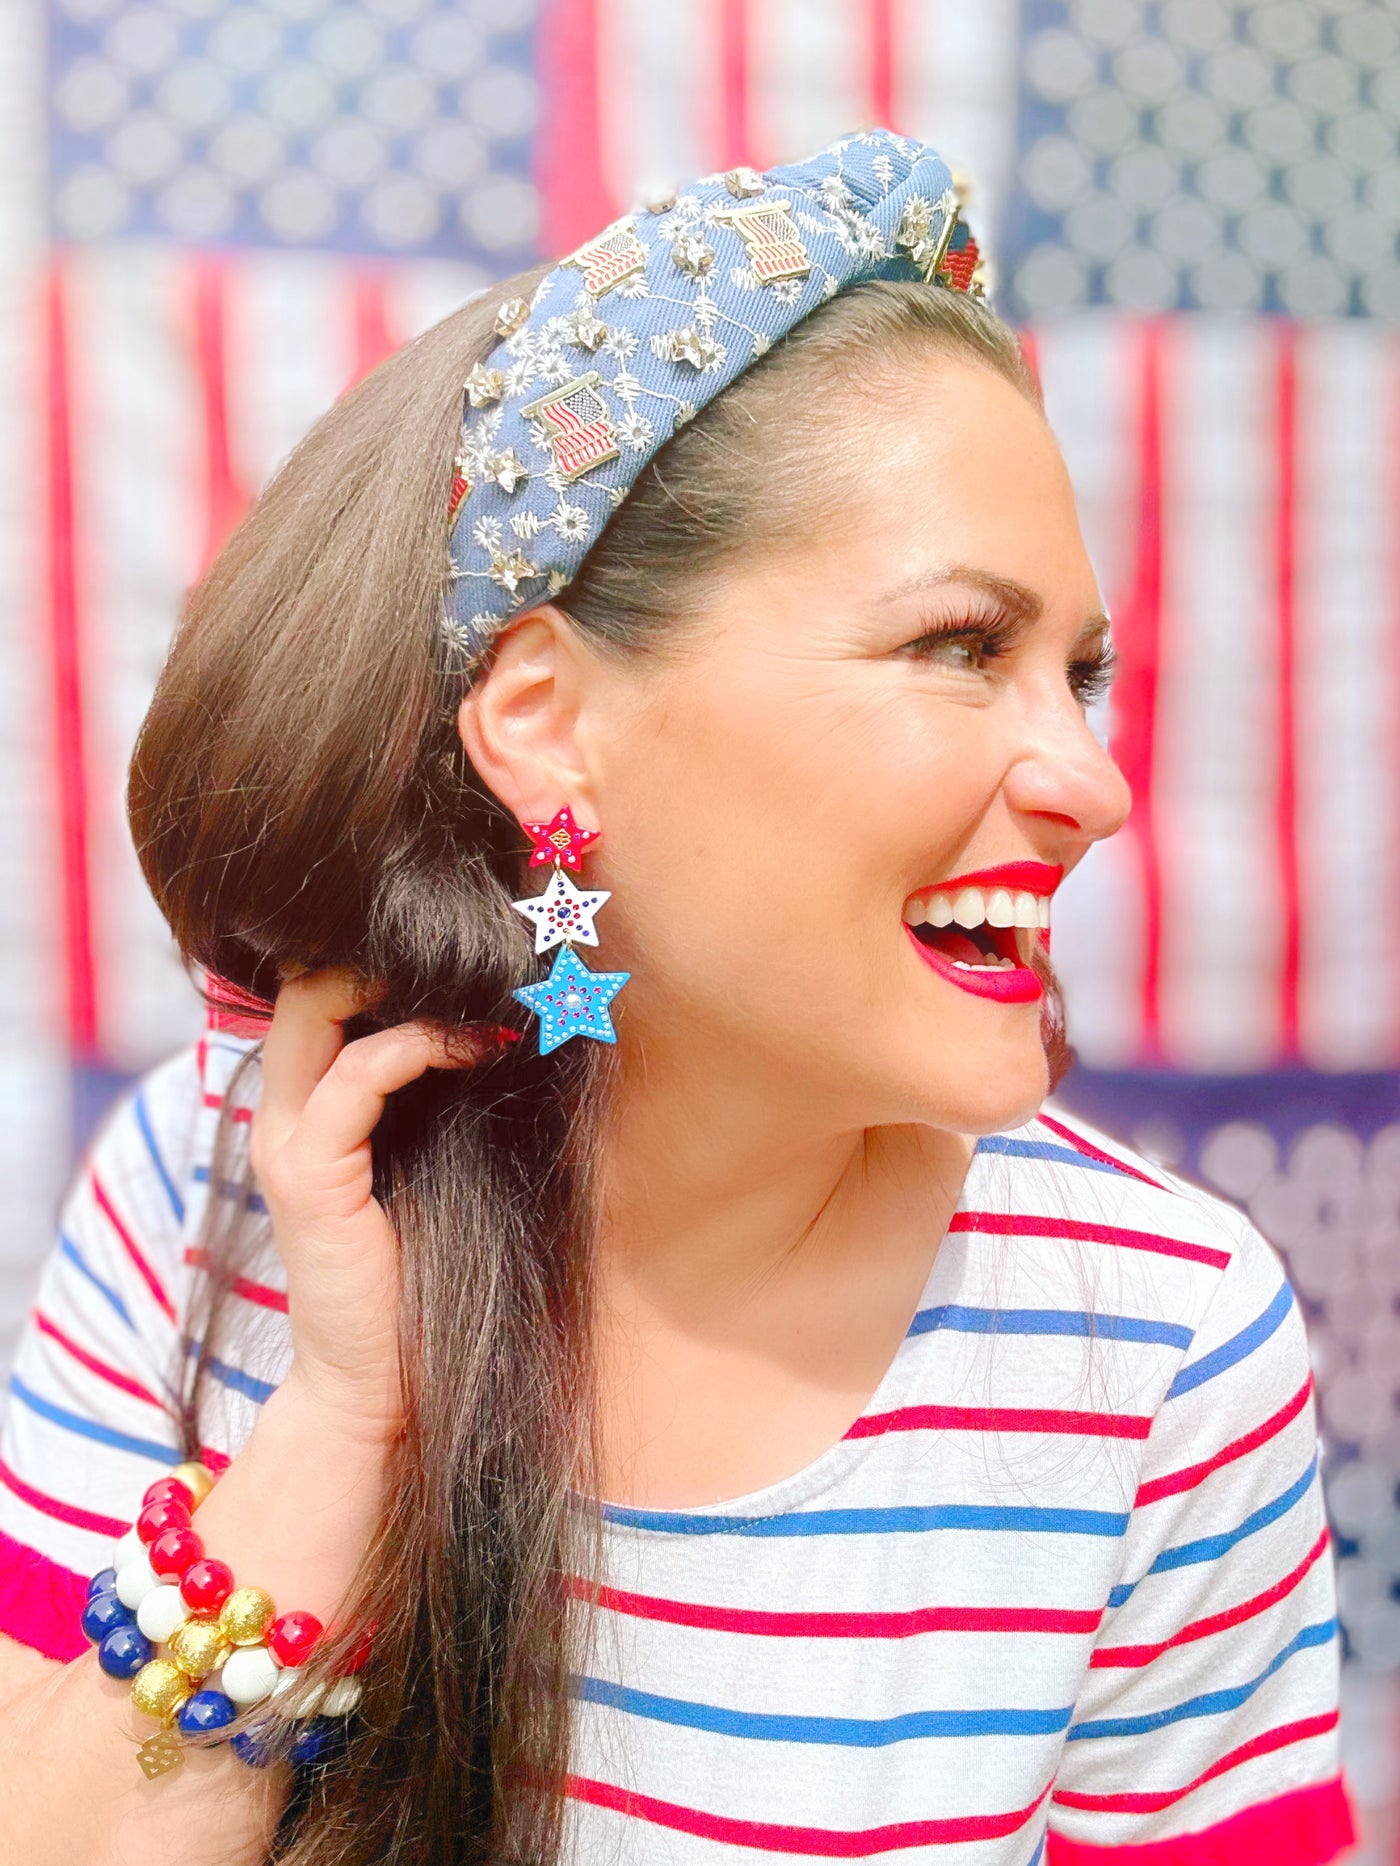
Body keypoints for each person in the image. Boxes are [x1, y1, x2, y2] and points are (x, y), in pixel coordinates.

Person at [0, 131, 1351, 1866]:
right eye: (959, 646)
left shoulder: (1159, 1340)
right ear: (552, 722)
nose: (1092, 781)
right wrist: (336, 1431)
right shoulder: (215, 1191)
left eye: (1075, 674)